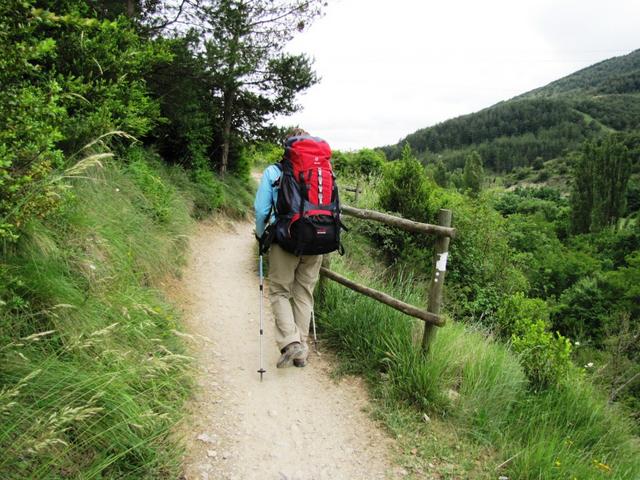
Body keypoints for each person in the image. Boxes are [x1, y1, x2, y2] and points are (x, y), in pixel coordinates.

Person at [254, 128, 323, 368]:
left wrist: (260, 236)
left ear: (287, 147)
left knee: (279, 291)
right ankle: (301, 353)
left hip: (285, 239)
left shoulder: (274, 171)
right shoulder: (322, 171)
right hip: (317, 240)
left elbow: (261, 210)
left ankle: (292, 342)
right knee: (304, 292)